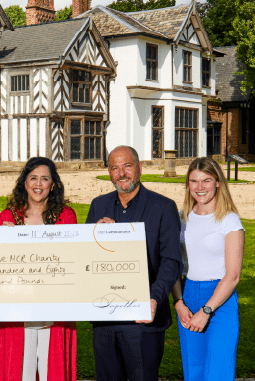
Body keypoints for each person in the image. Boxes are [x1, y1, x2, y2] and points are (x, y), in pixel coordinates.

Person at [86, 145, 182, 381]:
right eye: (114, 168)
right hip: (105, 318)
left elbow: (171, 262)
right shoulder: (99, 205)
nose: (121, 174)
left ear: (139, 168)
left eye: (127, 166)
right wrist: (95, 236)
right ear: (109, 172)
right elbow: (86, 259)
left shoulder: (164, 207)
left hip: (144, 319)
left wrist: (154, 298)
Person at [0, 157, 78, 381]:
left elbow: (74, 260)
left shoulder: (66, 217)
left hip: (53, 311)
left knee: (52, 373)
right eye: (34, 178)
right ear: (25, 182)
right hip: (18, 314)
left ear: (53, 184)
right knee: (21, 373)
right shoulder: (8, 217)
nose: (39, 184)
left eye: (45, 179)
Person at [171, 157, 245, 381]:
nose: (199, 187)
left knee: (217, 373)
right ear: (188, 185)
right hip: (188, 296)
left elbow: (232, 276)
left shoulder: (229, 221)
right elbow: (172, 265)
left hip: (219, 301)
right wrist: (178, 303)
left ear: (218, 183)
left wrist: (207, 311)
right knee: (194, 372)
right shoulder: (181, 219)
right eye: (194, 181)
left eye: (206, 181)